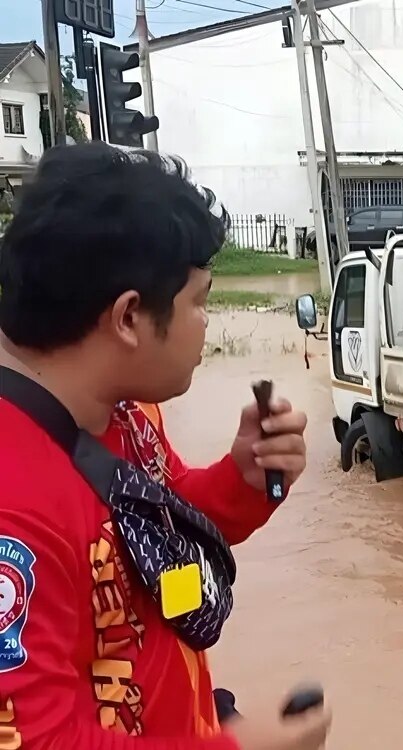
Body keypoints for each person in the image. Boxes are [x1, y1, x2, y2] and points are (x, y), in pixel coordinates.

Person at [0, 144, 332, 749]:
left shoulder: (125, 412)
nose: (206, 322)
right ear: (129, 317)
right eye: (199, 300)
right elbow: (37, 738)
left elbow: (163, 526)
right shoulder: (13, 508)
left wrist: (246, 480)